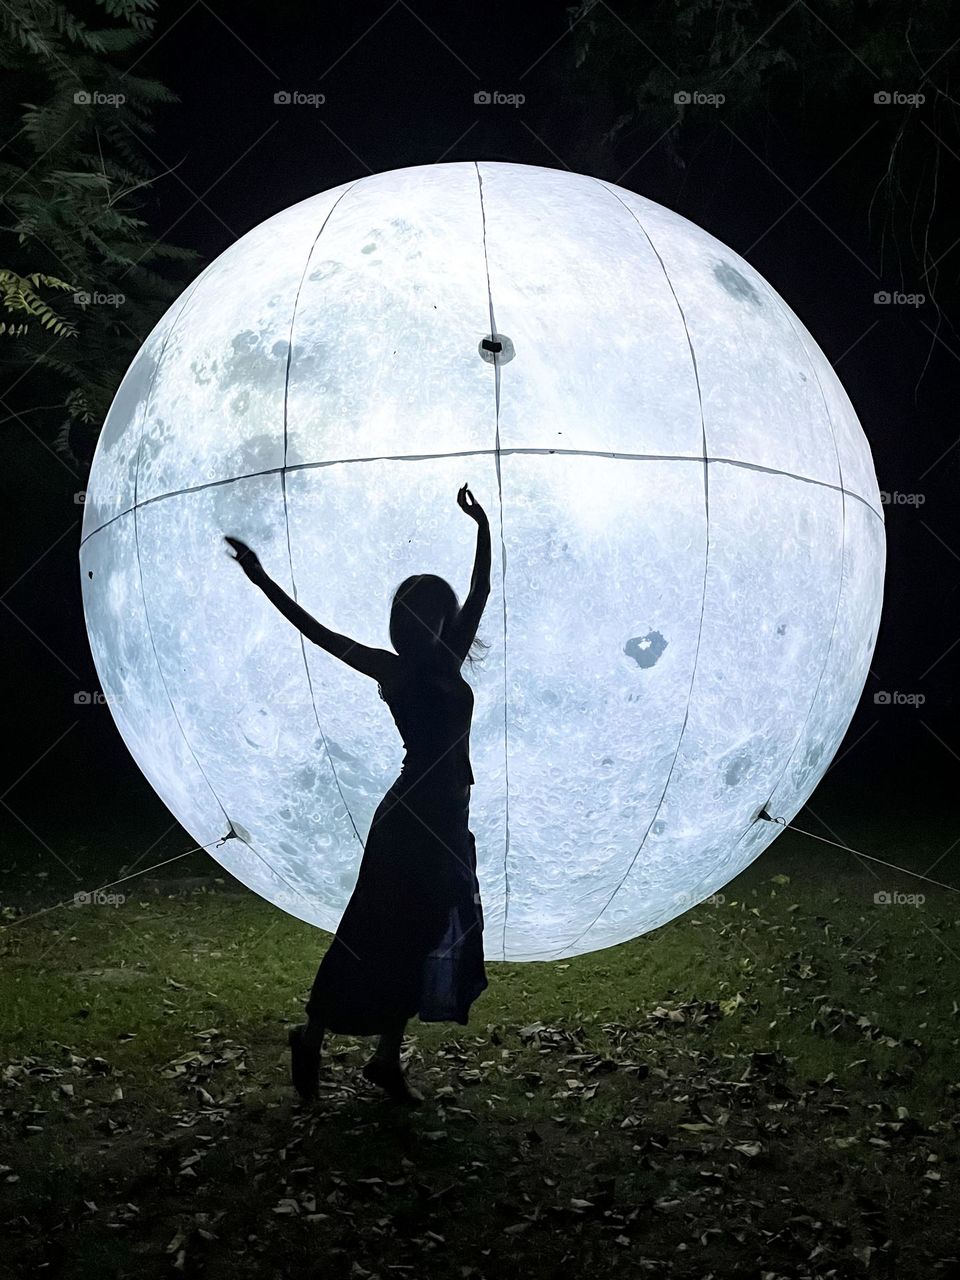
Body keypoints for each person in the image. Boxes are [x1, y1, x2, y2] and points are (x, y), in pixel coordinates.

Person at [224, 484, 491, 1106]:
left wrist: (481, 526)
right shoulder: (391, 669)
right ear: (404, 622)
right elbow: (316, 632)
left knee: (420, 935)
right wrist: (262, 581)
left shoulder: (449, 661)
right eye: (419, 612)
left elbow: (480, 591)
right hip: (409, 822)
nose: (431, 620)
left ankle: (384, 1061)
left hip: (448, 817)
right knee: (373, 930)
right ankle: (311, 1036)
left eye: (436, 610)